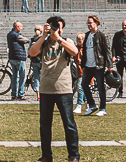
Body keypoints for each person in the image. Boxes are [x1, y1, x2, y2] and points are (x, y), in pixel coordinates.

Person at [31, 16, 80, 162]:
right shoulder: (43, 43)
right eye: (53, 26)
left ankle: (73, 155)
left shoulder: (66, 41)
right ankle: (46, 156)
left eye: (58, 27)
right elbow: (32, 52)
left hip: (63, 89)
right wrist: (44, 36)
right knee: (45, 125)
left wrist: (58, 38)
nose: (55, 29)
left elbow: (74, 52)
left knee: (69, 124)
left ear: (62, 28)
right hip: (46, 89)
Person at [77, 15, 111, 115]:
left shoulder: (101, 36)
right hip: (88, 65)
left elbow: (107, 50)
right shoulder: (87, 35)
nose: (88, 25)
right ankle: (92, 105)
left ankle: (103, 108)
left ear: (96, 23)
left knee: (100, 87)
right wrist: (83, 63)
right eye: (87, 23)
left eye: (90, 23)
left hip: (98, 65)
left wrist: (109, 65)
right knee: (83, 84)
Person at [6, 21, 31, 101]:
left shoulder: (10, 34)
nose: (21, 28)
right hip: (19, 57)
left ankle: (14, 94)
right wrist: (30, 40)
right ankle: (21, 94)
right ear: (17, 27)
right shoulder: (16, 35)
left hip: (12, 57)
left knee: (14, 76)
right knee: (22, 76)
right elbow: (25, 40)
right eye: (21, 27)